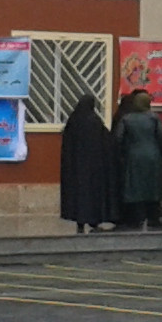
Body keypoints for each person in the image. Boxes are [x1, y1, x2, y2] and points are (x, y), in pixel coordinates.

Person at [59, 94, 114, 233]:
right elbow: (105, 140)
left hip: (75, 167)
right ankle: (93, 221)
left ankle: (80, 223)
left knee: (78, 195)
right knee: (92, 194)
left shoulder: (73, 121)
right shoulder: (94, 121)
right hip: (93, 166)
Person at [116, 90, 162, 229]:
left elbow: (118, 138)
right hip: (153, 156)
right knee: (153, 186)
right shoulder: (154, 118)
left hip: (133, 156)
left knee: (134, 187)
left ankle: (136, 218)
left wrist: (122, 154)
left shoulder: (126, 119)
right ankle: (153, 218)